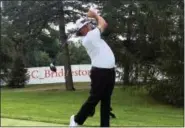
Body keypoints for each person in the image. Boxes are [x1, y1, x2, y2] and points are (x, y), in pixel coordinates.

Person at [69, 8, 116, 127]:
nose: (89, 25)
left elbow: (102, 24)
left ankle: (105, 126)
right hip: (100, 72)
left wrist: (94, 15)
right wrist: (95, 14)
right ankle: (76, 119)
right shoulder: (90, 37)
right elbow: (104, 23)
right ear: (83, 29)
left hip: (109, 71)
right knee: (94, 99)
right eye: (87, 24)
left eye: (88, 23)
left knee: (106, 100)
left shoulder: (93, 36)